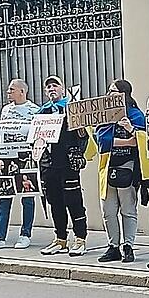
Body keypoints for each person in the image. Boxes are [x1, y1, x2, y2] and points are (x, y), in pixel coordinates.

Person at [89, 79, 149, 263]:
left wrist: (130, 131)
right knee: (108, 210)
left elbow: (144, 139)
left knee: (128, 210)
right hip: (107, 167)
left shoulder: (135, 114)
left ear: (122, 94)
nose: (109, 94)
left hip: (128, 168)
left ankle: (128, 246)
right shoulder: (105, 116)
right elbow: (101, 141)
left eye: (112, 91)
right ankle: (113, 246)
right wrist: (126, 141)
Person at [0, 79, 39, 251]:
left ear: (22, 91)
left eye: (12, 89)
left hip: (26, 160)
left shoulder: (34, 110)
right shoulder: (5, 110)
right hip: (4, 159)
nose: (8, 92)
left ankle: (25, 234)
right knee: (3, 197)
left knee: (27, 197)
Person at [36, 76, 90, 256]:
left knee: (73, 201)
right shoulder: (42, 112)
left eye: (55, 85)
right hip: (49, 165)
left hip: (67, 163)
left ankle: (80, 238)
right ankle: (60, 239)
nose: (52, 89)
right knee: (55, 202)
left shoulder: (72, 108)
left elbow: (83, 136)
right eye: (48, 86)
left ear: (62, 89)